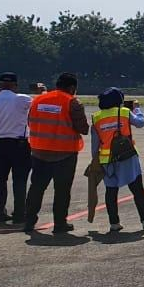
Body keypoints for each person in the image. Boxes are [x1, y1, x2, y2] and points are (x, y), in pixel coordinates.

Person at [24, 73, 89, 234]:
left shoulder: (38, 100)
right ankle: (59, 224)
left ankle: (29, 221)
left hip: (39, 151)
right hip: (64, 153)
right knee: (62, 190)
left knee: (36, 188)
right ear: (72, 88)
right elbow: (83, 128)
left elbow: (29, 121)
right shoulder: (72, 102)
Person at [92, 88, 144, 233]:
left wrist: (95, 161)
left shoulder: (96, 117)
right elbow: (140, 123)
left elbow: (94, 145)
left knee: (111, 191)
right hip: (126, 157)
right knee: (137, 189)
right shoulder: (123, 112)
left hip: (106, 160)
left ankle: (114, 223)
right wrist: (137, 109)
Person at [0, 73, 32, 225]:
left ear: (0, 85)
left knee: (0, 180)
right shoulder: (23, 99)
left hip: (0, 143)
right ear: (15, 85)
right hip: (20, 144)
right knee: (20, 180)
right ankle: (19, 214)